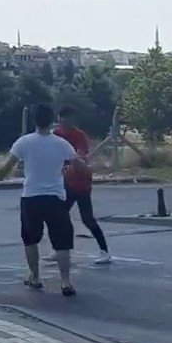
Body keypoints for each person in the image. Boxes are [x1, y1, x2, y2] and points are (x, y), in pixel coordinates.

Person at [0, 102, 85, 296]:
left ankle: (35, 277)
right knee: (62, 241)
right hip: (56, 198)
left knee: (30, 239)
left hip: (31, 197)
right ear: (52, 121)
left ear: (35, 120)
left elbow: (8, 165)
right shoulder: (61, 143)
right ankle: (66, 282)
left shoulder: (24, 142)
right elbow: (79, 164)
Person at [51, 107, 111, 265]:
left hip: (81, 182)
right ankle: (61, 250)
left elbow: (81, 154)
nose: (71, 121)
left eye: (72, 119)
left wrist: (73, 164)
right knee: (60, 217)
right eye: (67, 118)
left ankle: (104, 251)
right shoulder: (56, 135)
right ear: (60, 118)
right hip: (64, 183)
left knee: (87, 219)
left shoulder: (79, 135)